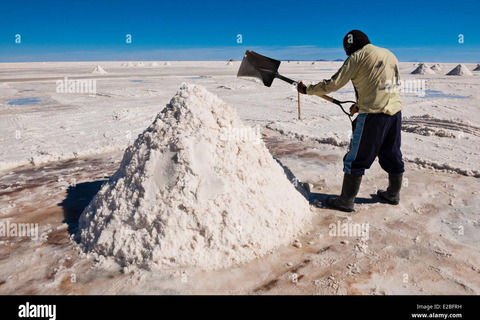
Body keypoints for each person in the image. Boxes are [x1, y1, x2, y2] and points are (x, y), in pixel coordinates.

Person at [297, 30, 405, 212]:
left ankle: (346, 201)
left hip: (372, 116)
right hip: (394, 112)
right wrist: (360, 104)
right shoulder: (389, 54)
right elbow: (388, 84)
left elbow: (333, 84)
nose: (347, 53)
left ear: (350, 46)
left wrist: (307, 90)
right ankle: (393, 193)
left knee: (355, 159)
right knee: (391, 153)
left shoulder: (357, 57)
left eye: (347, 50)